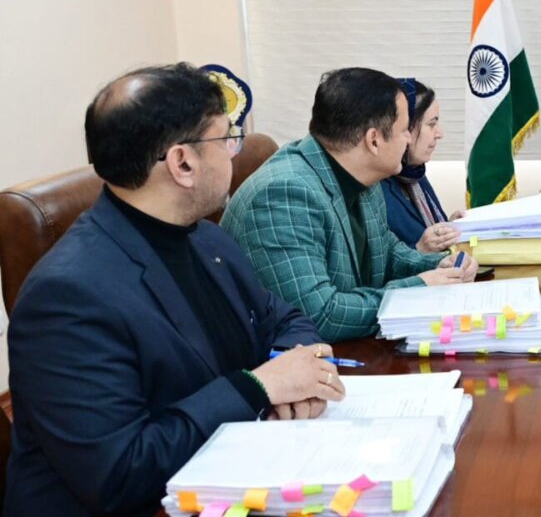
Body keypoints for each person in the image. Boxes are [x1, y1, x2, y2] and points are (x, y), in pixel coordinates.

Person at [5, 64, 345, 516]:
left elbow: (281, 317)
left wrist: (293, 374)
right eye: (227, 138)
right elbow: (119, 473)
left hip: (233, 472)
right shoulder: (66, 296)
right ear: (183, 163)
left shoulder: (204, 237)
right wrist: (259, 387)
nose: (234, 153)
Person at [222, 67, 478, 342]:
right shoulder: (284, 194)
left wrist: (439, 265)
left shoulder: (362, 174)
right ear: (374, 140)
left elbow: (386, 253)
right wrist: (418, 288)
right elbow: (320, 315)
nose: (408, 139)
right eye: (405, 129)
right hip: (285, 360)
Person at [380, 78, 460, 251]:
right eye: (431, 124)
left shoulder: (414, 172)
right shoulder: (374, 185)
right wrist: (419, 249)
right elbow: (375, 260)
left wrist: (449, 228)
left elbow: (428, 230)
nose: (439, 134)